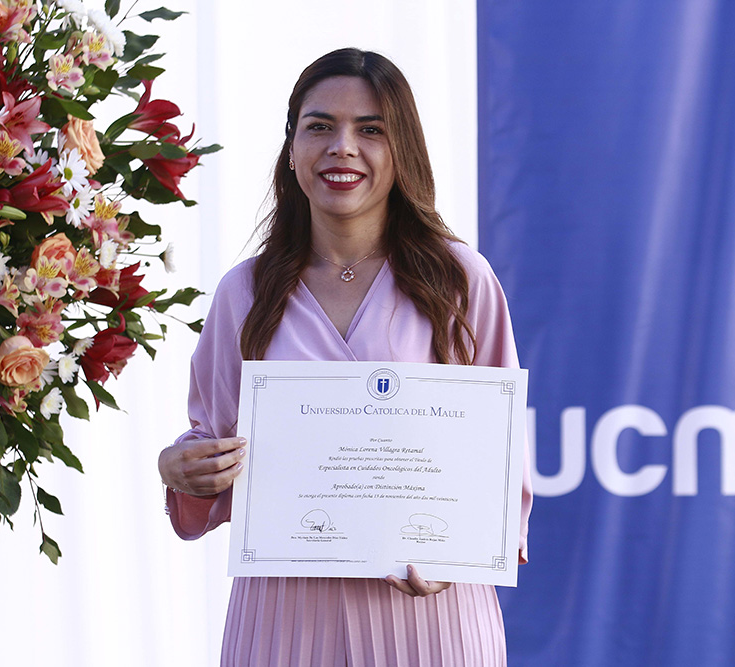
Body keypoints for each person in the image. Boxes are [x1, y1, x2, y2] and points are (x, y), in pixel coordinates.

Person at [158, 47, 533, 666]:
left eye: (371, 130)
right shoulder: (244, 293)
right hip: (283, 620)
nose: (343, 147)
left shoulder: (461, 281)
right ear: (292, 148)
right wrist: (181, 469)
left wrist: (465, 551)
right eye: (320, 126)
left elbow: (501, 449)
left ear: (402, 149)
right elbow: (213, 442)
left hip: (430, 622)